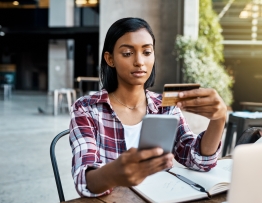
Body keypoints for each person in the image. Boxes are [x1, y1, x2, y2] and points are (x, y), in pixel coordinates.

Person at [69, 17, 227, 197]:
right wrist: (113, 173)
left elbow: (198, 160)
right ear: (110, 59)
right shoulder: (87, 109)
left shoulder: (165, 107)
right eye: (127, 53)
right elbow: (84, 181)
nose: (139, 61)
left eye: (146, 52)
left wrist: (218, 119)